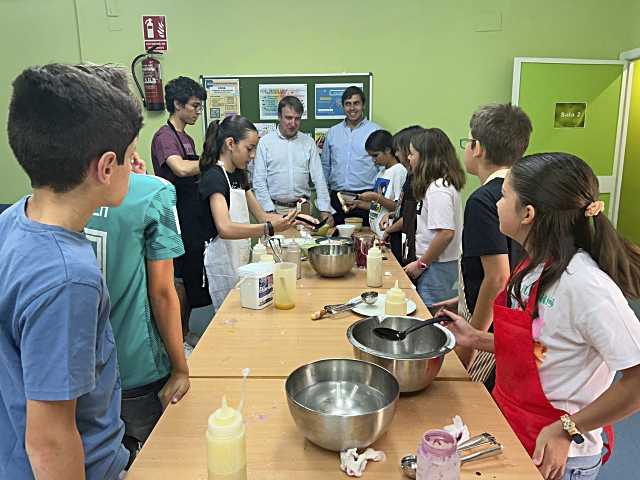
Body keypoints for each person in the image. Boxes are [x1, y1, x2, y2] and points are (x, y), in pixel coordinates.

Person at [441, 153, 640, 480]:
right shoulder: (534, 265)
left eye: (505, 196)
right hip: (513, 429)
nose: (497, 205)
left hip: (559, 455)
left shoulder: (585, 286)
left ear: (528, 214)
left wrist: (567, 428)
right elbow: (540, 347)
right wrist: (475, 338)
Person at [0, 63, 143, 479]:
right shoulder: (67, 277)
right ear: (105, 167)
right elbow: (50, 441)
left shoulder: (13, 220)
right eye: (132, 157)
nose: (136, 170)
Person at [85, 171, 190, 466]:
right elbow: (162, 292)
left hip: (79, 369)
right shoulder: (153, 193)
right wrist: (180, 368)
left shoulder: (53, 196)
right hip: (135, 364)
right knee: (155, 459)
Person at [452, 103, 532, 388]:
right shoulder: (523, 192)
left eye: (468, 141)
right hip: (512, 318)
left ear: (478, 148)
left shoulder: (484, 200)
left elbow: (498, 276)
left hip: (491, 325)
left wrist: (471, 341)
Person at [198, 115, 312, 311]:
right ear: (230, 143)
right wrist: (268, 229)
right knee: (227, 315)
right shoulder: (214, 177)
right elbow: (224, 228)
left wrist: (297, 219)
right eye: (249, 149)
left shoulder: (239, 175)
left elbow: (263, 216)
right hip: (222, 261)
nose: (252, 156)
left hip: (240, 257)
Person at [151, 76, 209, 343]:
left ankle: (185, 332)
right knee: (178, 281)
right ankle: (179, 337)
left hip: (190, 215)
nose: (198, 111)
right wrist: (215, 161)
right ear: (177, 104)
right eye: (194, 106)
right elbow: (181, 168)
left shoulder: (186, 138)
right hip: (173, 217)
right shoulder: (165, 137)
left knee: (190, 275)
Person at [403, 128, 465, 308]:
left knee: (433, 316)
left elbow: (446, 233)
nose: (409, 158)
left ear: (425, 158)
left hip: (436, 267)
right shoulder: (439, 185)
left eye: (412, 154)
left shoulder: (438, 188)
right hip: (436, 265)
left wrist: (420, 264)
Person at [252, 96, 334, 225]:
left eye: (297, 118)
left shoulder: (308, 142)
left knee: (305, 244)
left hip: (303, 209)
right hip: (275, 209)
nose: (293, 123)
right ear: (279, 117)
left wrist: (325, 209)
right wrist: (270, 211)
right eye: (288, 118)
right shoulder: (265, 143)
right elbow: (259, 181)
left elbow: (319, 178)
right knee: (276, 245)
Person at [321, 85, 382, 225]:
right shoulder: (332, 132)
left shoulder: (375, 131)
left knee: (367, 240)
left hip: (365, 197)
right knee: (336, 240)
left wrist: (378, 199)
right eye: (348, 104)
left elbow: (383, 168)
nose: (352, 108)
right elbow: (325, 168)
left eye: (356, 103)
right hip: (337, 198)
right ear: (343, 106)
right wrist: (325, 203)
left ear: (363, 105)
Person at [346, 130, 407, 241]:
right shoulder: (382, 172)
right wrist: (359, 204)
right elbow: (378, 207)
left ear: (388, 150)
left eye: (376, 155)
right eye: (371, 156)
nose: (373, 160)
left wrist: (376, 197)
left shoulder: (399, 171)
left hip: (388, 234)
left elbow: (399, 208)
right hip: (377, 232)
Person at [380, 125, 423, 264]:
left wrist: (389, 230)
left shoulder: (419, 181)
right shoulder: (409, 176)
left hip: (411, 248)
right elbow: (405, 209)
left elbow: (411, 217)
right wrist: (392, 214)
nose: (396, 154)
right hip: (400, 243)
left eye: (398, 150)